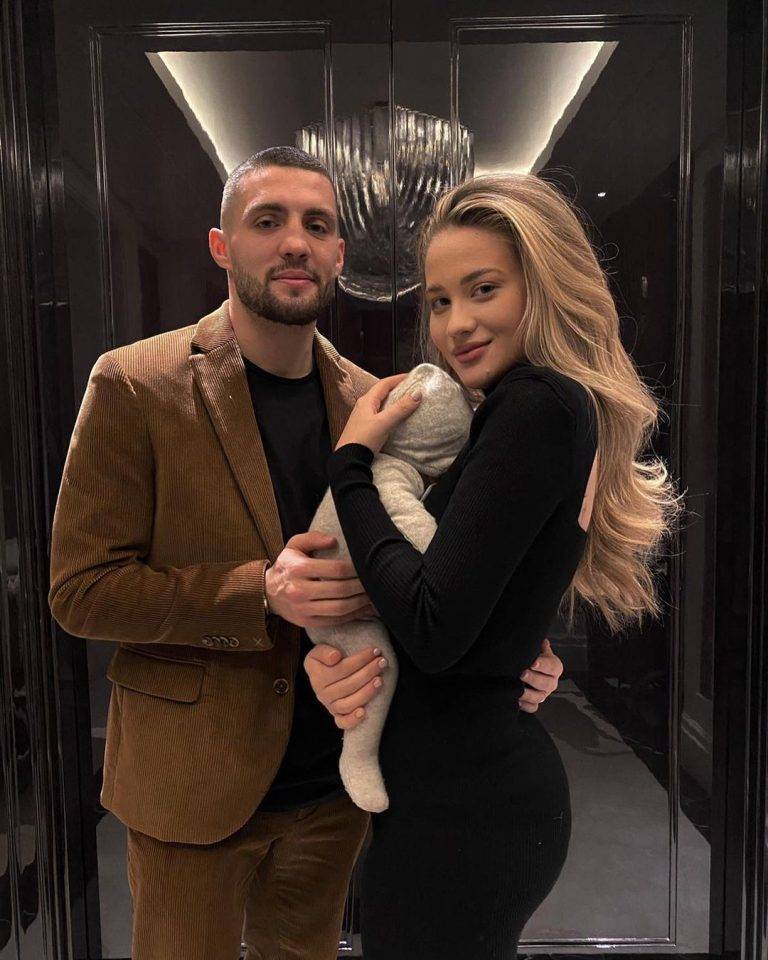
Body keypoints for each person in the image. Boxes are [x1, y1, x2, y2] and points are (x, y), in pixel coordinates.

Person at [47, 147, 564, 960]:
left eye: (316, 225)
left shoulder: (377, 400)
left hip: (337, 789)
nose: (295, 242)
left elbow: (447, 556)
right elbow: (81, 590)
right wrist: (259, 592)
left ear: (339, 256)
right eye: (268, 221)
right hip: (194, 785)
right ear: (222, 246)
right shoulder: (133, 384)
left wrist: (517, 645)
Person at [305, 172, 683, 959]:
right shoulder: (540, 409)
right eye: (439, 301)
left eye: (483, 289)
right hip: (465, 798)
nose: (456, 324)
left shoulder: (536, 405)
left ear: (543, 284)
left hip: (465, 813)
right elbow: (474, 607)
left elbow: (433, 626)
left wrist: (350, 466)